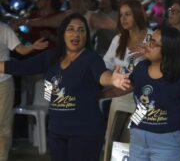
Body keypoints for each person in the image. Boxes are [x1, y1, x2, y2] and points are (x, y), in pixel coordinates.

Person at [0, 13, 128, 161]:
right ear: (62, 33)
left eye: (81, 30)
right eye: (71, 29)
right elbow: (20, 67)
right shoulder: (51, 57)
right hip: (57, 131)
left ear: (87, 35)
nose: (76, 34)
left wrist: (112, 79)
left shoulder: (91, 59)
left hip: (85, 132)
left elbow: (102, 75)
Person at [109, 27, 180, 160]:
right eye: (149, 40)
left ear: (168, 50)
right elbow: (122, 88)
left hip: (167, 145)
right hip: (138, 140)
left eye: (153, 43)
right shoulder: (141, 68)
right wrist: (97, 94)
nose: (147, 45)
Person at [102, 0, 152, 161]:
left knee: (137, 146)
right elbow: (105, 65)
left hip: (144, 101)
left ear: (137, 15)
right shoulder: (118, 39)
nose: (123, 18)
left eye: (128, 14)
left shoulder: (152, 37)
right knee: (115, 143)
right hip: (119, 98)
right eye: (121, 15)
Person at [0, 21, 48, 161]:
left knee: (3, 124)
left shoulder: (3, 29)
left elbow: (20, 49)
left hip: (3, 82)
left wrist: (33, 46)